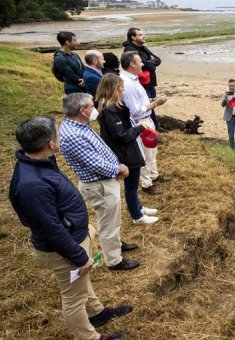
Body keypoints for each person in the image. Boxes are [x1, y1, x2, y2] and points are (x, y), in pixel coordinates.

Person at [9, 116, 132, 340]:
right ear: (50, 143)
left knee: (80, 282)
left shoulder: (40, 163)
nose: (60, 137)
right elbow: (50, 228)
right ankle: (90, 337)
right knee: (73, 296)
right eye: (57, 134)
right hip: (63, 248)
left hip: (74, 237)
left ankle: (98, 313)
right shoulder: (32, 185)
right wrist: (78, 256)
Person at [59, 92, 140, 271]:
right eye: (91, 106)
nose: (94, 109)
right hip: (99, 185)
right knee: (108, 224)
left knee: (112, 219)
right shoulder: (73, 135)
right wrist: (119, 169)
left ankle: (116, 244)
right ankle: (114, 260)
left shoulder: (80, 125)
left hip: (104, 181)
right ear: (82, 110)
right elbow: (94, 163)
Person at [97, 73, 160, 226]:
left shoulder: (112, 107)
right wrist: (138, 128)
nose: (124, 91)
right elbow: (121, 135)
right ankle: (137, 216)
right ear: (115, 89)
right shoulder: (111, 110)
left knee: (133, 184)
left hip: (125, 149)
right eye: (122, 88)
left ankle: (138, 207)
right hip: (124, 151)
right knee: (131, 185)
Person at [120, 51, 169, 194]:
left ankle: (153, 175)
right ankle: (147, 184)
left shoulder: (134, 79)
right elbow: (134, 110)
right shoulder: (127, 83)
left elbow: (140, 102)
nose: (143, 64)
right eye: (140, 61)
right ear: (132, 64)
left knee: (152, 150)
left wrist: (153, 100)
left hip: (146, 119)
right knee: (145, 153)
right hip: (139, 122)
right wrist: (155, 105)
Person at [123, 27, 164, 132]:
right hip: (142, 81)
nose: (143, 36)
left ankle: (154, 125)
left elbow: (158, 59)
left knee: (150, 102)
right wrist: (149, 64)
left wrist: (150, 63)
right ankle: (151, 126)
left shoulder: (143, 48)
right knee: (145, 104)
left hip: (149, 81)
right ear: (133, 37)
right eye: (140, 35)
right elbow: (147, 65)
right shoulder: (129, 49)